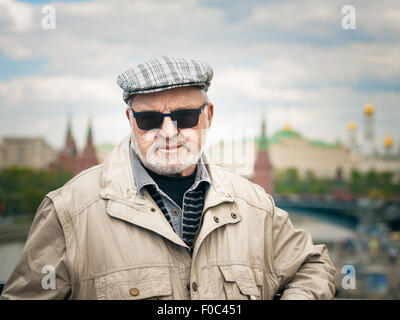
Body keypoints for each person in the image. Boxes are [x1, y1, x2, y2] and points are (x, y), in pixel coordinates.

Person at [1, 56, 335, 300]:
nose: (169, 132)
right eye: (149, 119)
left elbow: (313, 265)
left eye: (185, 116)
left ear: (208, 117)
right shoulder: (69, 211)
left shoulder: (254, 205)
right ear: (131, 120)